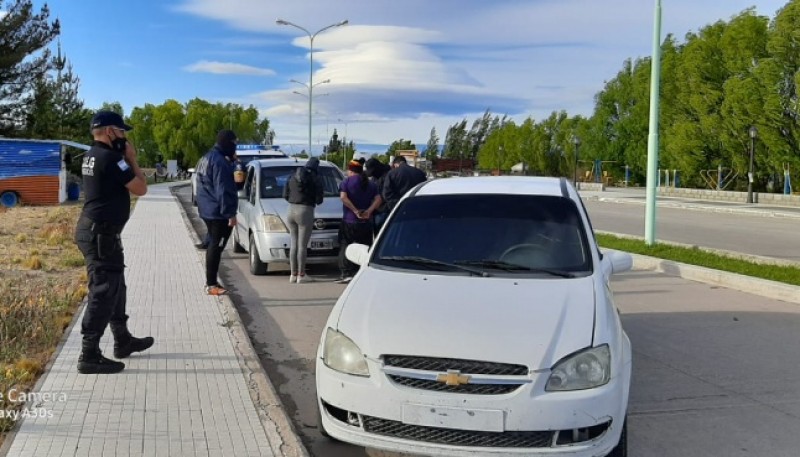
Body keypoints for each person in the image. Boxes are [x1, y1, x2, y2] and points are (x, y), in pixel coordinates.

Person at [74, 110, 153, 374]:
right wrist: (132, 159)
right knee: (103, 290)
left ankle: (123, 340)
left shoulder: (90, 155)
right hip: (100, 234)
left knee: (116, 287)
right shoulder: (111, 158)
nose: (124, 137)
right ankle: (89, 354)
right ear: (110, 131)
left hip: (98, 232)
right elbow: (141, 188)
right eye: (121, 132)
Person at [195, 130, 239, 295]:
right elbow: (223, 190)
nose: (235, 147)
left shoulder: (206, 157)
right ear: (228, 143)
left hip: (207, 208)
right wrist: (230, 214)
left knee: (214, 244)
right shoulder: (220, 162)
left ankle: (212, 282)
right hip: (218, 212)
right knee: (216, 246)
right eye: (234, 143)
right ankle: (211, 284)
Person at [337, 160, 381, 283]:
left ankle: (346, 272)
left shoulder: (346, 182)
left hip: (350, 220)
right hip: (366, 221)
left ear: (351, 171)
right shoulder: (371, 184)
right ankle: (360, 271)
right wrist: (369, 211)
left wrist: (355, 211)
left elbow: (343, 197)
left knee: (345, 244)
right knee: (363, 246)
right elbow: (378, 199)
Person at [283, 157, 324, 283]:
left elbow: (285, 195)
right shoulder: (315, 178)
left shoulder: (292, 176)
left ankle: (292, 274)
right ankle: (301, 275)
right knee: (302, 246)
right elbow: (319, 200)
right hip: (305, 211)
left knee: (293, 243)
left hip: (290, 210)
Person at [363, 158, 392, 235]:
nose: (371, 174)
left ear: (375, 168)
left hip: (383, 210)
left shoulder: (386, 176)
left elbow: (384, 195)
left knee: (381, 233)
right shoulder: (375, 177)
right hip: (376, 210)